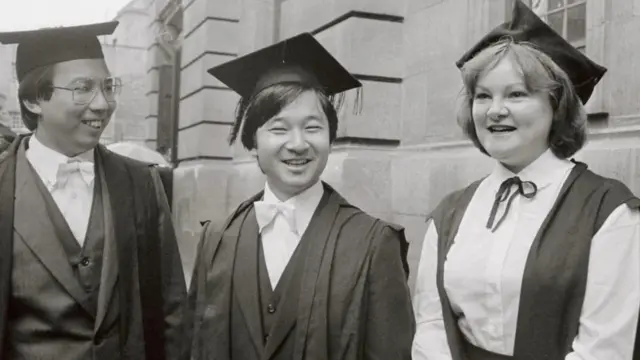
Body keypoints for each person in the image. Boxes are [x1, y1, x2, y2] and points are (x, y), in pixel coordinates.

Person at [411, 1, 640, 359]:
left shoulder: (608, 212)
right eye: (482, 95)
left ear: (558, 106)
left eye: (517, 94)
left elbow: (605, 349)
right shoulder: (449, 213)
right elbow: (431, 326)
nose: (495, 110)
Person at [189, 33, 415, 360]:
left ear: (330, 137)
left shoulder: (373, 244)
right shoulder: (216, 240)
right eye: (279, 129)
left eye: (312, 127)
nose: (298, 144)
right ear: (252, 142)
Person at [0, 22, 188, 360]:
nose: (102, 104)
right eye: (83, 88)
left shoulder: (142, 183)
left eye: (108, 87)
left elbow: (171, 309)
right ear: (33, 100)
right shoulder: (3, 186)